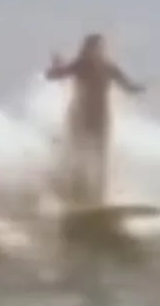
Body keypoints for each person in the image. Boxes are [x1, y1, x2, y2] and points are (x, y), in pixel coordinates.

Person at [45, 34, 145, 206]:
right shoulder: (79, 65)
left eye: (99, 48)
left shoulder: (109, 67)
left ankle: (99, 198)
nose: (95, 52)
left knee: (100, 158)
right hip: (79, 117)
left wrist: (139, 88)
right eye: (92, 48)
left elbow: (128, 87)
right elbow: (53, 76)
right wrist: (55, 68)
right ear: (86, 49)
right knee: (77, 155)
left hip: (100, 119)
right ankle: (75, 193)